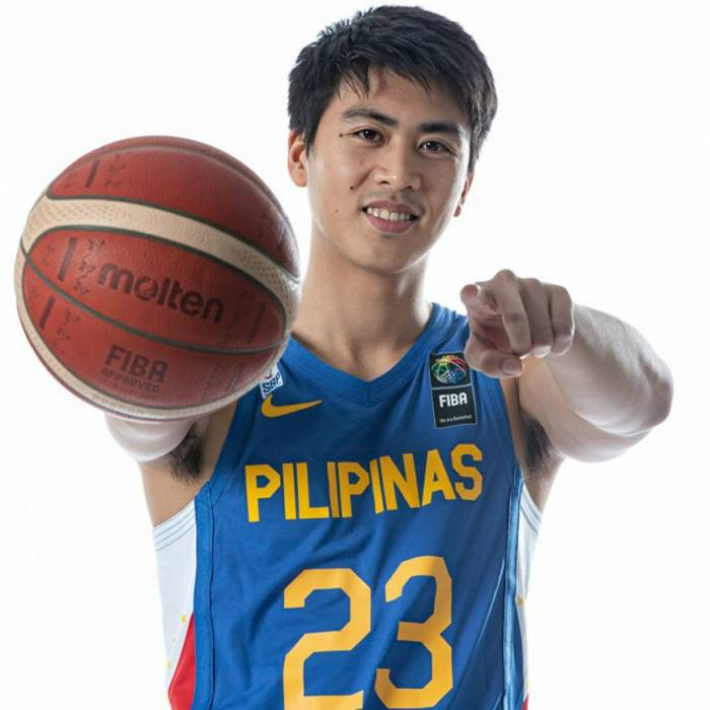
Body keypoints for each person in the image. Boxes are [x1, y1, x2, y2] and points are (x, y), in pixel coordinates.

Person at [106, 5, 673, 709]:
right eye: (368, 134)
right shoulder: (213, 379)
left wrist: (566, 331)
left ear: (464, 186)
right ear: (299, 154)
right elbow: (135, 410)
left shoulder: (499, 370)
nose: (399, 172)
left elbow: (644, 404)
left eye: (434, 145)